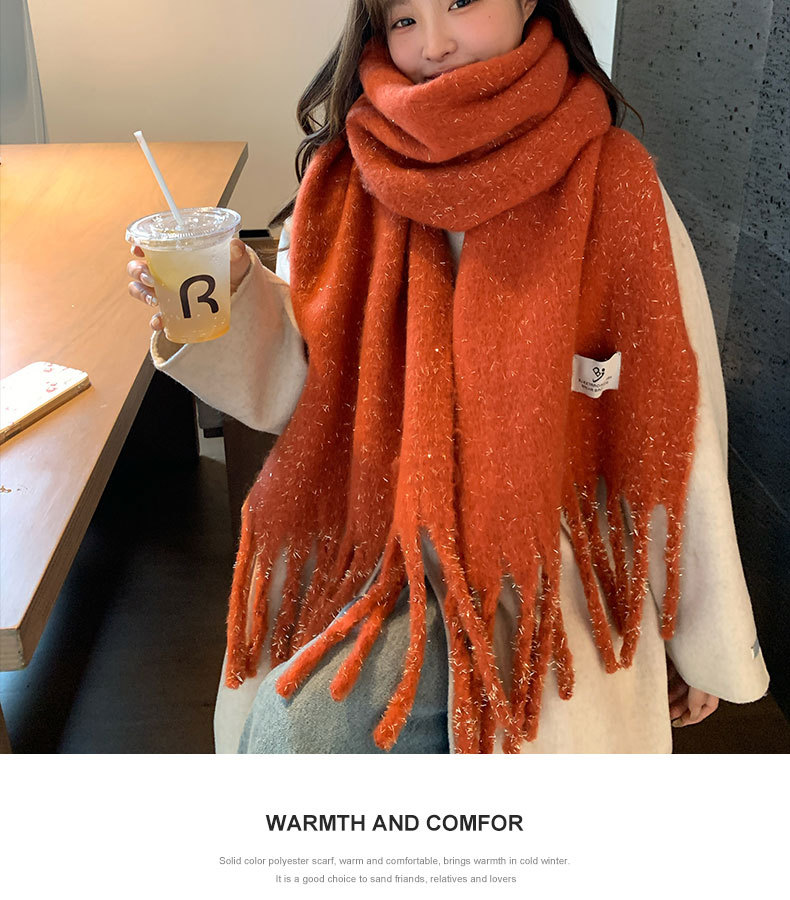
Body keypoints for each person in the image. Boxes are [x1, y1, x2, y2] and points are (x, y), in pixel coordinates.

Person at [127, 0, 769, 753]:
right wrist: (234, 293)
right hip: (379, 550)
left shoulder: (617, 184)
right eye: (404, 19)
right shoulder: (347, 178)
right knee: (292, 736)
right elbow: (305, 393)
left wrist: (698, 639)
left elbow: (674, 431)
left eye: (462, 1)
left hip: (544, 579)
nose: (434, 44)